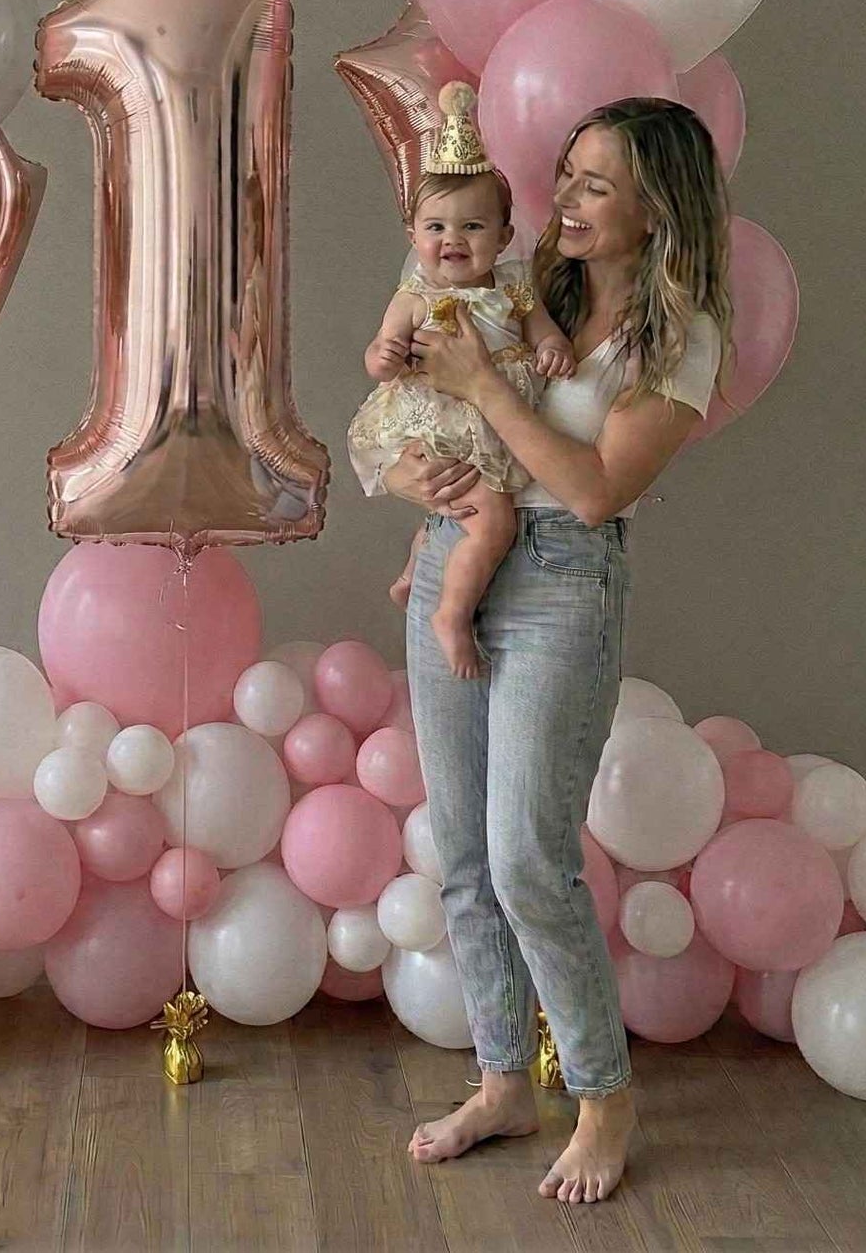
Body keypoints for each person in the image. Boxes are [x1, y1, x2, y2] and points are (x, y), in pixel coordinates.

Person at [388, 96, 732, 1206]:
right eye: (568, 175)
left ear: (654, 207)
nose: (565, 199)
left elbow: (589, 488)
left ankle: (601, 1097)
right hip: (457, 552)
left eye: (594, 183)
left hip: (558, 586)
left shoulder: (677, 337)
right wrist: (416, 498)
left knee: (529, 856)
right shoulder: (531, 288)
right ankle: (500, 1080)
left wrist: (480, 386)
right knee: (461, 854)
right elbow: (422, 409)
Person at [347, 84, 574, 678]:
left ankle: (413, 572)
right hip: (438, 422)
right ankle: (452, 613)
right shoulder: (414, 296)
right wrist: (388, 353)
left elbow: (546, 333)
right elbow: (377, 359)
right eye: (437, 226)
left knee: (455, 513)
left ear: (503, 238)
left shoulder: (514, 290)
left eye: (473, 226)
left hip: (492, 421)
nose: (453, 240)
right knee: (489, 519)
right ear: (413, 236)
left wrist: (551, 349)